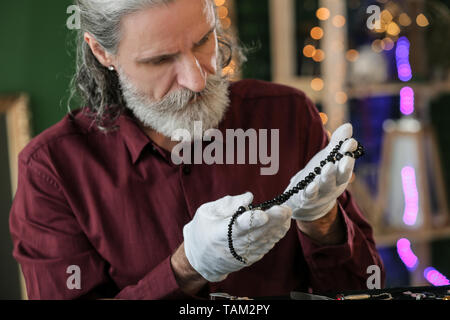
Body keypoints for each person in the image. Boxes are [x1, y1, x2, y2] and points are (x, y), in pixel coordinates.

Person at [9, 0, 385, 300]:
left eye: (204, 40)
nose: (196, 78)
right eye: (160, 60)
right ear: (102, 52)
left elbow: (368, 286)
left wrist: (322, 221)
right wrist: (185, 269)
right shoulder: (53, 170)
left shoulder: (287, 115)